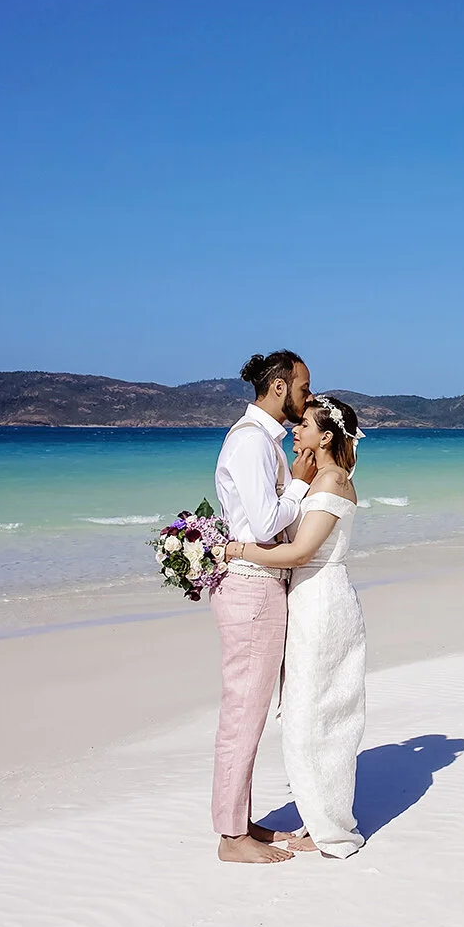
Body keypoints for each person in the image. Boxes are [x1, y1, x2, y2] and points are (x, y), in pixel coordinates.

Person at [220, 393, 368, 859]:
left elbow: (301, 553)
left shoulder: (332, 480)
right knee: (309, 714)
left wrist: (234, 550)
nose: (296, 429)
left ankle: (331, 828)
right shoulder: (318, 477)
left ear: (325, 437)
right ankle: (319, 818)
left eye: (305, 424)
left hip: (321, 602)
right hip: (306, 599)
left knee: (315, 717)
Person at [208, 349, 316, 864]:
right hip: (251, 588)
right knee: (243, 714)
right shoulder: (252, 442)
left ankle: (240, 821)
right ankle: (231, 838)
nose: (307, 399)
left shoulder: (263, 441)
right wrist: (300, 482)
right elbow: (267, 521)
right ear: (278, 387)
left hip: (260, 585)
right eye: (302, 388)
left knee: (248, 712)